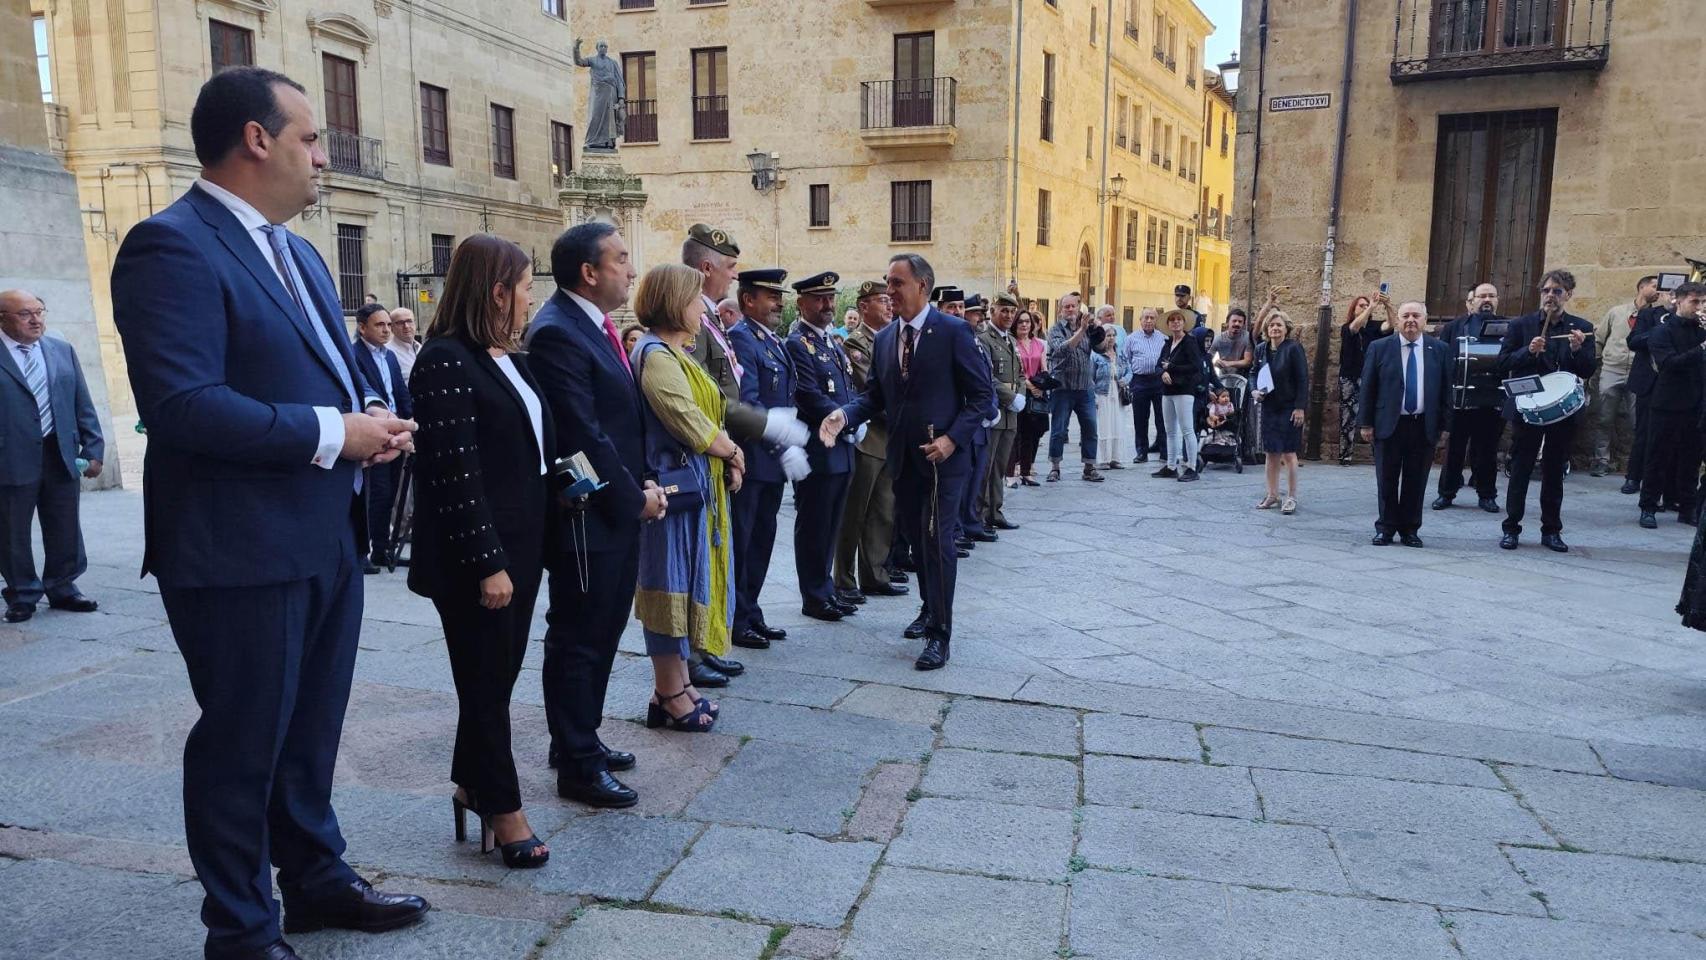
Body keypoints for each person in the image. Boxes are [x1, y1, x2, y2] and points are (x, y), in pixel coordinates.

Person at [110, 67, 427, 960]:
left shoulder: (299, 251)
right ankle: (242, 932)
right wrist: (336, 431)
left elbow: (317, 373)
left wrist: (371, 426)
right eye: (310, 139)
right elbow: (182, 405)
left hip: (324, 532)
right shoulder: (170, 244)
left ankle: (316, 881)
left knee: (310, 727)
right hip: (237, 547)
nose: (323, 157)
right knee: (242, 742)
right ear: (257, 140)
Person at [407, 235, 553, 869]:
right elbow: (454, 475)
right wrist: (488, 563)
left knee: (494, 678)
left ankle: (472, 782)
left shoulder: (504, 358)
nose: (530, 300)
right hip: (478, 560)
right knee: (486, 687)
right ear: (497, 292)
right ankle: (505, 807)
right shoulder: (443, 360)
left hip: (522, 549)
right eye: (524, 288)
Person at [527, 221, 664, 809]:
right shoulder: (557, 332)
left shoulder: (594, 326)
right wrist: (632, 498)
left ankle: (581, 736)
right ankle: (577, 762)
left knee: (603, 629)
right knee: (581, 635)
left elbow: (615, 421)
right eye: (623, 259)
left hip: (613, 508)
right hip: (589, 516)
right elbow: (582, 435)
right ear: (590, 271)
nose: (632, 270)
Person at [822, 253, 995, 670]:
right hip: (903, 461)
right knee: (918, 541)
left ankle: (940, 634)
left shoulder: (953, 332)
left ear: (922, 286)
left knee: (938, 541)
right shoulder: (884, 339)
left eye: (897, 283)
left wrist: (953, 440)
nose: (889, 291)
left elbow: (982, 398)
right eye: (887, 283)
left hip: (942, 463)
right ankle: (928, 607)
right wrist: (844, 414)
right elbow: (876, 397)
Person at [632, 263, 744, 732]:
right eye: (696, 299)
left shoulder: (678, 353)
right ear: (676, 302)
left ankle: (675, 686)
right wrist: (733, 450)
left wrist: (728, 453)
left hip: (695, 486)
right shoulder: (655, 355)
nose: (703, 307)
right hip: (673, 491)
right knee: (668, 588)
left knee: (685, 580)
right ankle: (669, 689)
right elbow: (688, 420)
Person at [0, 290, 103, 624]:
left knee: (64, 524)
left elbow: (81, 401)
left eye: (39, 311)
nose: (36, 320)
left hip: (59, 451)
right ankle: (22, 594)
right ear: (2, 318)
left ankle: (63, 586)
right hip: (10, 456)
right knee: (12, 530)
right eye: (25, 314)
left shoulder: (61, 349)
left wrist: (94, 448)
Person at [726, 268, 810, 648]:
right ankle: (737, 618)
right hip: (754, 459)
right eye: (770, 296)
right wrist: (782, 442)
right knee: (744, 542)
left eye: (779, 295)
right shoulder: (742, 338)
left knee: (762, 539)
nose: (779, 302)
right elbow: (750, 400)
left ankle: (752, 610)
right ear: (748, 300)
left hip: (770, 464)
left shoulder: (771, 340)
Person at [1498, 269, 1597, 552]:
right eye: (1546, 291)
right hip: (1527, 407)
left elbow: (1588, 369)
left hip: (1563, 412)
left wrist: (1578, 350)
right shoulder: (1521, 326)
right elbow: (1503, 363)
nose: (1551, 296)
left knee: (1554, 472)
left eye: (1557, 291)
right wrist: (1528, 351)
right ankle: (1511, 528)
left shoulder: (1581, 327)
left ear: (1568, 295)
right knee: (1519, 469)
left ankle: (1551, 530)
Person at [787, 271, 861, 620]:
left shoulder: (832, 342)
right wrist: (842, 419)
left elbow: (848, 389)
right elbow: (808, 395)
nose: (827, 305)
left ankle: (827, 589)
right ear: (801, 303)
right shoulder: (798, 343)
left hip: (842, 446)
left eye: (830, 298)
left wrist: (853, 419)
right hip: (819, 447)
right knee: (815, 523)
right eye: (819, 298)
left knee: (832, 523)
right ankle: (814, 596)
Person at [834, 280, 908, 605]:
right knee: (854, 512)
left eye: (889, 301)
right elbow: (872, 389)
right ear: (864, 307)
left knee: (883, 510)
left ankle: (874, 575)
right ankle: (844, 579)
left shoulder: (893, 339)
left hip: (890, 439)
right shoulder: (857, 343)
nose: (889, 306)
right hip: (869, 439)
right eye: (882, 301)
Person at [1359, 300, 1454, 546]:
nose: (1410, 320)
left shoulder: (1439, 349)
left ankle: (1410, 529)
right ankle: (1386, 528)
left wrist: (1445, 426)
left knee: (1416, 479)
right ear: (1397, 320)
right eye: (1405, 316)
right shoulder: (1379, 348)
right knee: (1387, 478)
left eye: (1416, 315)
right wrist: (1365, 423)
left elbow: (1446, 391)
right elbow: (1368, 387)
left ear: (1425, 320)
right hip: (1389, 424)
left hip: (1423, 425)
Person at [351, 303, 413, 573]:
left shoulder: (388, 357)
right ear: (362, 328)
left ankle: (382, 548)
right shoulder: (353, 356)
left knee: (390, 495)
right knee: (373, 495)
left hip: (396, 434)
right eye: (380, 325)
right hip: (371, 432)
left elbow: (400, 393)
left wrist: (409, 425)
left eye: (388, 324)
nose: (387, 330)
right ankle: (363, 551)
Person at [1638, 282, 1706, 528]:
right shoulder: (1661, 332)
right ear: (1678, 300)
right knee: (1658, 457)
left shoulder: (1702, 331)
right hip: (1667, 404)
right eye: (1694, 302)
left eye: (1703, 302)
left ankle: (1687, 509)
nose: (1700, 307)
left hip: (1697, 404)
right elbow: (1669, 364)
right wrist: (1702, 349)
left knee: (1691, 460)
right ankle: (1648, 506)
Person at [1432, 283, 1505, 513]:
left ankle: (1486, 495)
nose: (1487, 300)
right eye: (1482, 296)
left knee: (1488, 450)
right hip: (1460, 399)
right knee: (1454, 448)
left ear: (1497, 300)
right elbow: (1442, 360)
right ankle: (1446, 493)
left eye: (1491, 296)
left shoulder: (1508, 327)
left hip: (1492, 400)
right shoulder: (1454, 327)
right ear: (1470, 301)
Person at [1591, 278, 1654, 478]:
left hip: (1639, 372)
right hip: (1611, 369)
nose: (1658, 289)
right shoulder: (1616, 312)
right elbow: (1599, 339)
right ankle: (1601, 460)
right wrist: (1593, 366)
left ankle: (1638, 465)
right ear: (1642, 287)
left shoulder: (1656, 315)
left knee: (1639, 421)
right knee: (1604, 417)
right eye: (1654, 285)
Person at [1252, 306, 1309, 513]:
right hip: (1269, 407)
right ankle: (1272, 494)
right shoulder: (1261, 349)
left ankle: (1291, 496)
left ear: (1286, 329)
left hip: (1289, 407)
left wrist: (1300, 407)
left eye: (1279, 325)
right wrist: (1254, 391)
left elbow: (1303, 379)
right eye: (1271, 325)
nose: (1274, 328)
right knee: (1271, 453)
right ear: (1267, 329)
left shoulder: (1293, 348)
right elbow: (1253, 373)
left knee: (1289, 453)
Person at [978, 292, 1025, 530]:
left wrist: (1022, 394)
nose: (1008, 316)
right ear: (993, 311)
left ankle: (995, 511)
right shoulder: (985, 339)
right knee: (986, 466)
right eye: (1003, 310)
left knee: (1001, 465)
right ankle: (982, 514)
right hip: (995, 411)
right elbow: (988, 377)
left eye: (1012, 312)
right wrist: (1010, 397)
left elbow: (1021, 374)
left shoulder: (1011, 341)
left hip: (1010, 414)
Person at [1621, 276, 1670, 496]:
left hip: (1676, 384)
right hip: (1649, 381)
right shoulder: (1649, 314)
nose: (1672, 297)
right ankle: (1633, 477)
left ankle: (1669, 487)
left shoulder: (1693, 321)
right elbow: (1634, 341)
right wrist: (1663, 330)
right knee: (1643, 432)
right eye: (1669, 292)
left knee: (1674, 438)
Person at [1045, 292, 1102, 482]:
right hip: (1063, 387)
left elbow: (1100, 348)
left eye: (1073, 306)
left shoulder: (1087, 327)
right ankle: (1055, 467)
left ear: (1079, 307)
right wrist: (1082, 330)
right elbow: (1063, 349)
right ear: (1060, 310)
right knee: (1059, 430)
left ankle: (1089, 467)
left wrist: (1097, 330)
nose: (1070, 310)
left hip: (1085, 387)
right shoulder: (1055, 330)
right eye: (1066, 307)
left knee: (1090, 428)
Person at [957, 295, 999, 548]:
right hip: (970, 422)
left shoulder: (977, 343)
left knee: (976, 479)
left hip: (983, 421)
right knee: (962, 480)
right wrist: (982, 411)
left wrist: (992, 408)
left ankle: (971, 523)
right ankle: (958, 528)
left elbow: (987, 380)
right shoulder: (960, 342)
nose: (980, 317)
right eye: (975, 313)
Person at [1337, 292, 1388, 464]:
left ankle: (1378, 454)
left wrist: (1387, 305)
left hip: (1372, 378)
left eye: (1367, 305)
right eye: (1361, 305)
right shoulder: (1347, 327)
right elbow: (1354, 327)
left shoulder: (1375, 327)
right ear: (1354, 309)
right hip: (1350, 377)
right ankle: (1345, 455)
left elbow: (1391, 326)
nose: (1365, 307)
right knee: (1348, 417)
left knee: (1375, 415)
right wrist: (1372, 307)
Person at [1154, 309, 1203, 483]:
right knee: (1170, 430)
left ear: (1184, 323)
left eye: (1179, 320)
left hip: (1184, 390)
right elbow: (1159, 364)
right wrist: (1162, 372)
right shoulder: (1168, 343)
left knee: (1187, 429)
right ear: (1168, 325)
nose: (1175, 322)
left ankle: (1192, 467)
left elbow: (1196, 366)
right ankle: (1171, 466)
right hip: (1167, 391)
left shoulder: (1189, 342)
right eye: (1172, 320)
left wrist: (1171, 368)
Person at [1121, 307, 1166, 464]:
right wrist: (1128, 379)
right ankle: (1141, 452)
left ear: (1156, 321)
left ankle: (1164, 451)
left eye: (1152, 318)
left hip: (1159, 380)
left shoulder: (1163, 338)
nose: (1148, 321)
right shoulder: (1131, 338)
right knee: (1140, 418)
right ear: (1140, 320)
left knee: (1162, 417)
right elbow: (1125, 359)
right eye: (1145, 317)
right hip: (1139, 381)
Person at [1011, 309, 1049, 484]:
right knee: (1016, 433)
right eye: (1021, 322)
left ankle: (1026, 470)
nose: (1025, 325)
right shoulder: (1011, 343)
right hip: (1019, 390)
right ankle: (1012, 470)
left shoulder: (1039, 344)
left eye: (1027, 321)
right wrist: (1030, 386)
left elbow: (1044, 368)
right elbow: (1016, 370)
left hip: (1036, 392)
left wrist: (1042, 386)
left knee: (1032, 433)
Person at [1091, 308, 1130, 470]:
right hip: (1102, 393)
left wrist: (1125, 380)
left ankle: (1116, 457)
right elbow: (1090, 377)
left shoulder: (1120, 354)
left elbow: (1129, 370)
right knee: (1103, 425)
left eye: (1113, 335)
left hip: (1118, 393)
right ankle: (1103, 459)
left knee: (1117, 423)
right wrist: (1092, 396)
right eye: (1108, 335)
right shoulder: (1096, 355)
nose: (1111, 338)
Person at [1210, 308, 1254, 376]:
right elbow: (1207, 358)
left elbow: (1247, 361)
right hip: (1224, 377)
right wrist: (1215, 363)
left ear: (1243, 324)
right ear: (1227, 322)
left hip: (1243, 378)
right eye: (1234, 321)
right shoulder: (1218, 339)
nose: (1237, 324)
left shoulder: (1247, 337)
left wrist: (1228, 363)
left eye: (1240, 321)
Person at [387, 306, 420, 379]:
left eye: (409, 321)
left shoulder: (421, 348)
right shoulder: (387, 353)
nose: (406, 326)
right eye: (400, 323)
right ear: (391, 327)